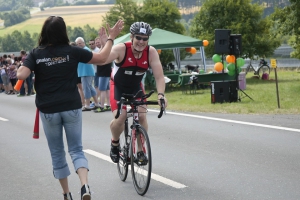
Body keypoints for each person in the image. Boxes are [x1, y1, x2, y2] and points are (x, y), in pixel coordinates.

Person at [17, 16, 124, 200]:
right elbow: (102, 58)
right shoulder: (73, 51)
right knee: (76, 149)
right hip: (71, 107)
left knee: (57, 152)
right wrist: (110, 38)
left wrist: (28, 63)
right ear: (63, 32)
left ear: (44, 33)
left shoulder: (36, 53)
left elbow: (21, 74)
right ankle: (84, 185)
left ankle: (67, 194)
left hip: (49, 110)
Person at [102, 21, 168, 163]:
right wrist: (106, 44)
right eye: (138, 37)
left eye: (145, 39)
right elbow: (103, 60)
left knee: (142, 116)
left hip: (135, 87)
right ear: (131, 36)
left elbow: (159, 77)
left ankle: (140, 150)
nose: (141, 42)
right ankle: (114, 143)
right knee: (121, 116)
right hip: (118, 86)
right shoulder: (121, 49)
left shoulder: (151, 52)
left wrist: (161, 95)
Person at [75, 37, 101, 111]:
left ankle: (87, 105)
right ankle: (96, 103)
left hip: (85, 72)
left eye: (80, 43)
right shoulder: (85, 50)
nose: (78, 45)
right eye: (77, 44)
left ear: (83, 43)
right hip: (86, 72)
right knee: (90, 87)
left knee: (86, 88)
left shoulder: (84, 50)